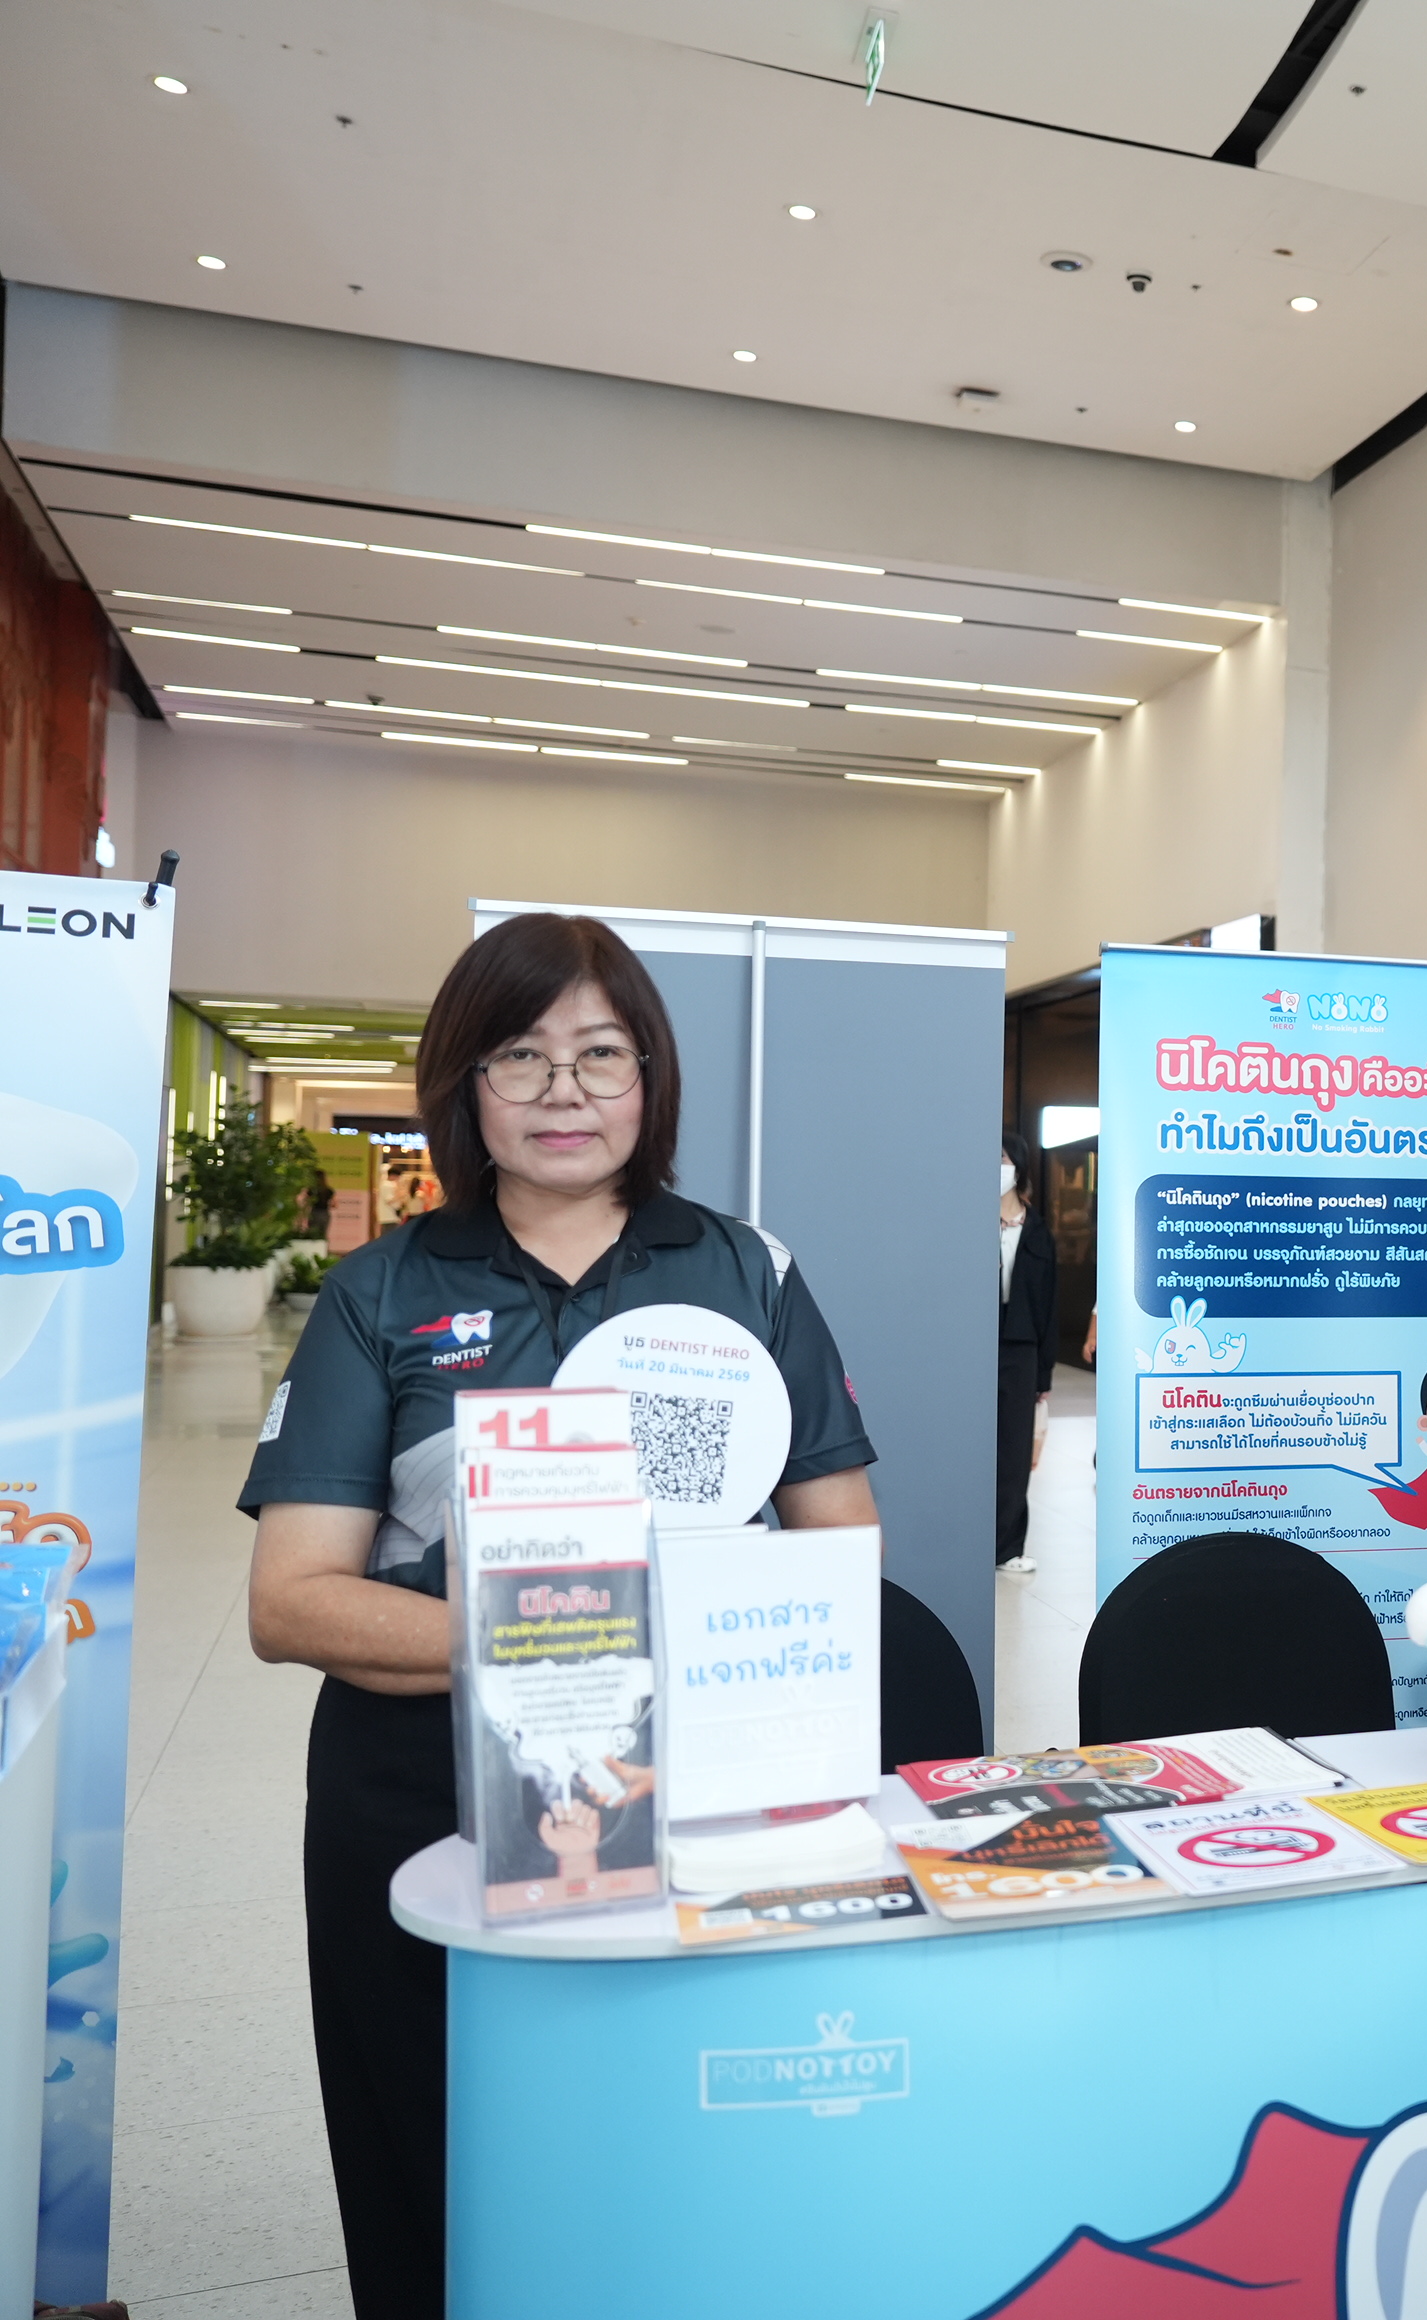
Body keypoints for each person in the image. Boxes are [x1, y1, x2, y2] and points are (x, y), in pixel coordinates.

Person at [240, 913, 881, 2320]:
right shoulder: (383, 1289)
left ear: (650, 1077)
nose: (564, 1091)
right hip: (422, 1796)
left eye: (601, 1054)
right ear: (464, 1085)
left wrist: (697, 1643)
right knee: (431, 2153)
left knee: (674, 2147)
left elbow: (843, 1544)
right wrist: (556, 1642)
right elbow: (290, 1602)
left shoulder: (745, 1272)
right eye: (520, 1058)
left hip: (694, 1783)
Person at [995, 1127, 1059, 1575]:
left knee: (1015, 1453)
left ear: (1018, 1167)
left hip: (1021, 1349)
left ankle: (1006, 1547)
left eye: (1002, 1160)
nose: (996, 1168)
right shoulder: (969, 1220)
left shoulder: (1038, 1231)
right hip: (978, 1345)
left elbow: (1049, 1307)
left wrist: (1043, 1377)